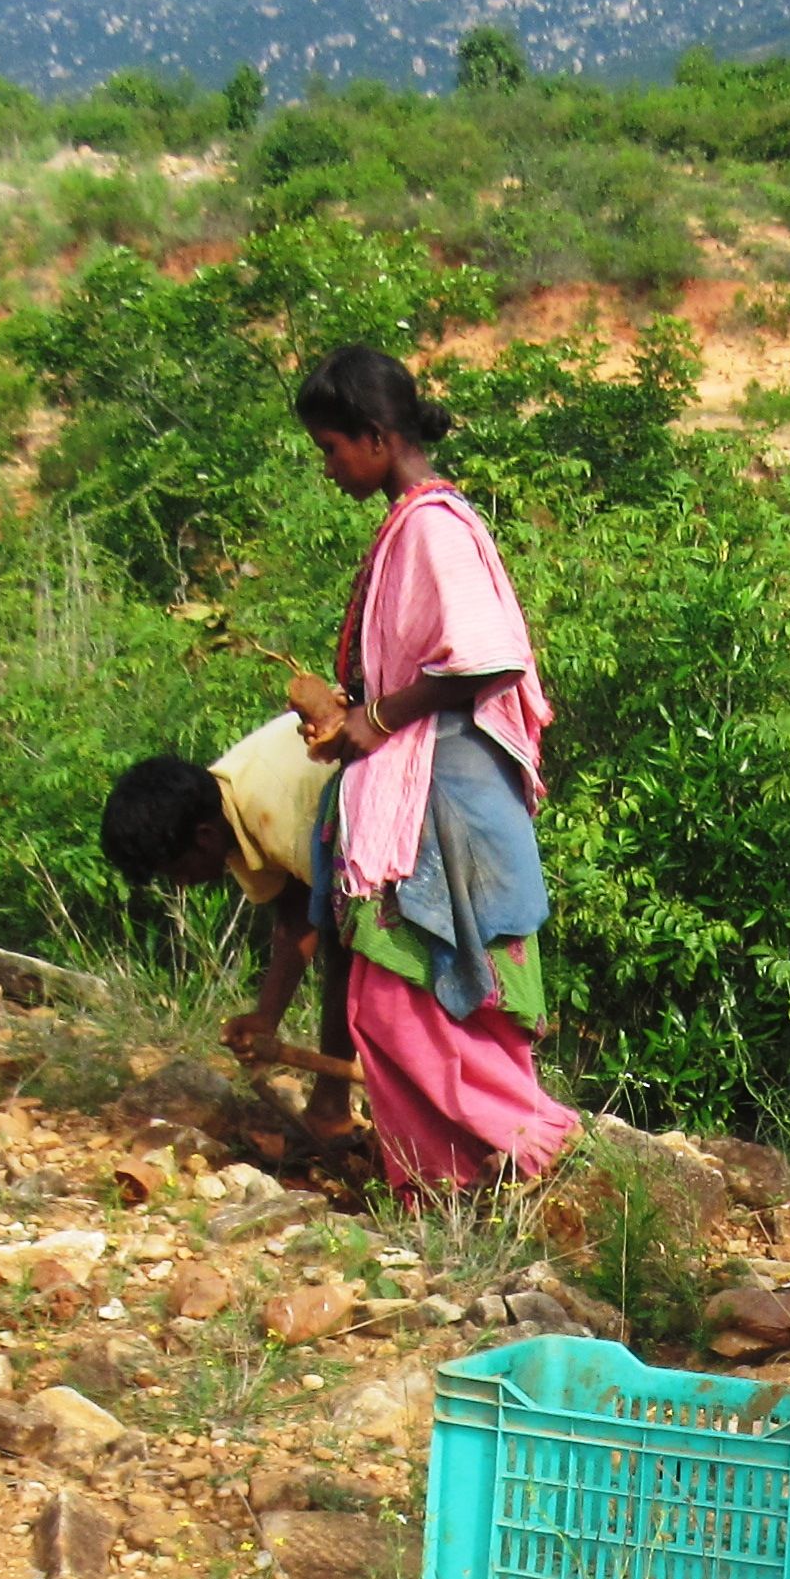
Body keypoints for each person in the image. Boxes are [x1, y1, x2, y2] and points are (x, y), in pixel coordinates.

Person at [269, 343, 579, 1195]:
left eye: (332, 449)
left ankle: (531, 1141)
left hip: (441, 800)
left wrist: (376, 717)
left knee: (402, 1004)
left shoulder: (433, 528)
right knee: (414, 1002)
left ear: (373, 437)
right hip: (431, 790)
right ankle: (459, 1188)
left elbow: (484, 658)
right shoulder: (415, 523)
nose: (329, 469)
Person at [96, 709, 357, 1141]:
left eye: (176, 871)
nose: (181, 884)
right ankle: (333, 1107)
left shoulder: (274, 812)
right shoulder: (222, 805)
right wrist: (265, 1018)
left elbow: (346, 935)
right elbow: (295, 915)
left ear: (203, 838)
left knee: (367, 964)